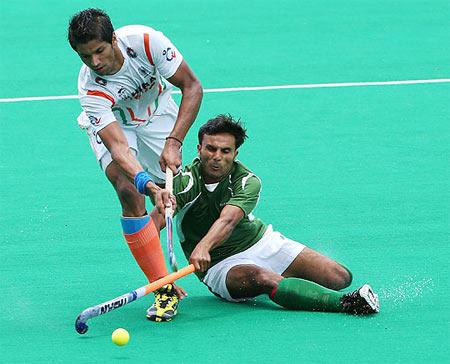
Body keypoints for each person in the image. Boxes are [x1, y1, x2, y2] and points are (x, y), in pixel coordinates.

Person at [151, 115, 380, 314]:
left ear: (235, 153)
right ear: (199, 149)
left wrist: (203, 246)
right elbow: (149, 228)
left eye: (225, 150)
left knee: (339, 277)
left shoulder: (247, 181)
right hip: (220, 265)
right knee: (263, 278)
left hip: (260, 242)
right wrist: (160, 279)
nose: (217, 156)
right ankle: (346, 304)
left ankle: (288, 289)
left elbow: (228, 220)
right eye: (210, 148)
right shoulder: (183, 185)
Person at [68, 8, 203, 322]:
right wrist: (149, 186)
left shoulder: (145, 41)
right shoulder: (91, 88)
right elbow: (117, 148)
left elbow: (192, 86)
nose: (95, 62)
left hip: (156, 112)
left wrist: (175, 140)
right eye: (85, 56)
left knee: (181, 189)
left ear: (113, 39)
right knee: (128, 190)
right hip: (116, 125)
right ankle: (162, 287)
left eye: (99, 51)